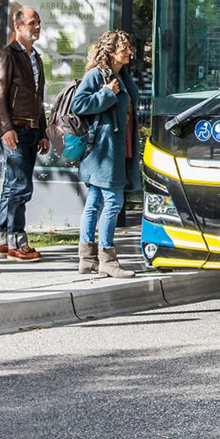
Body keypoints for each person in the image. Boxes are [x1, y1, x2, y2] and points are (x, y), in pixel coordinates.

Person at [70, 30, 140, 278]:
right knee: (114, 202)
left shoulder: (122, 75)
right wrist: (107, 93)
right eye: (125, 49)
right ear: (112, 53)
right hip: (103, 150)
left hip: (117, 146)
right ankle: (107, 258)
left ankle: (87, 259)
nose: (130, 52)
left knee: (95, 202)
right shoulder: (97, 75)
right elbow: (78, 105)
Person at [0, 6, 48, 261]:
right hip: (15, 127)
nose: (37, 27)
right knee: (20, 186)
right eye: (32, 23)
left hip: (32, 128)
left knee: (12, 184)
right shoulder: (7, 56)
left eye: (38, 23)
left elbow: (39, 98)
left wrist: (44, 131)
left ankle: (3, 237)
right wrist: (6, 127)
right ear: (18, 26)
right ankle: (16, 239)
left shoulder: (35, 57)